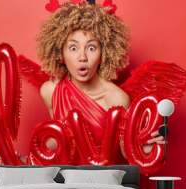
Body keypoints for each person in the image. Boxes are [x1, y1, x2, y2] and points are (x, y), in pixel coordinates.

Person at [37, 1, 164, 154]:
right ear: (60, 54)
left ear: (104, 53)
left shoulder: (117, 99)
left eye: (91, 48)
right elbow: (56, 146)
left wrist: (145, 147)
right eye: (73, 48)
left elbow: (126, 151)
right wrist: (35, 152)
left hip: (103, 177)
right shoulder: (51, 92)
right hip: (63, 177)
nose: (82, 57)